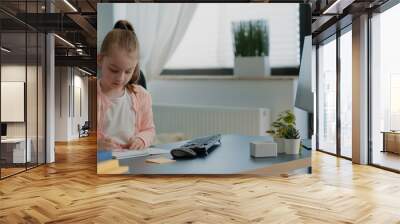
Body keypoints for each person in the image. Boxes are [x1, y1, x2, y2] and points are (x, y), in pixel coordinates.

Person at [97, 21, 155, 150]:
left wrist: (142, 140)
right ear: (100, 60)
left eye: (128, 71)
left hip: (133, 159)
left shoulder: (142, 96)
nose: (120, 78)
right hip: (104, 163)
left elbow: (149, 130)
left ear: (135, 68)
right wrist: (96, 145)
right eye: (114, 70)